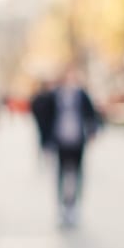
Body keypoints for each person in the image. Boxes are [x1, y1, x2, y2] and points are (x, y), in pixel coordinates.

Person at [43, 66, 100, 227]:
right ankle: (62, 206)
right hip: (61, 140)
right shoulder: (55, 96)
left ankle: (74, 205)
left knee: (78, 173)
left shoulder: (81, 95)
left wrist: (93, 131)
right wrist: (46, 141)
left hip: (77, 140)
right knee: (61, 173)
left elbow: (91, 114)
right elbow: (46, 116)